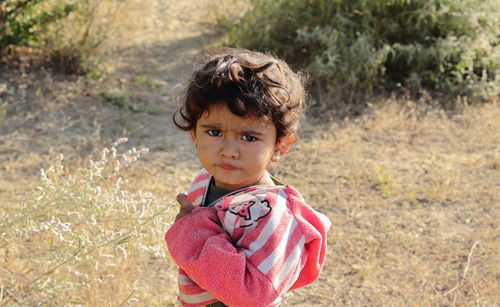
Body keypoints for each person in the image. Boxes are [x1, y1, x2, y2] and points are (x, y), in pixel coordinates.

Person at [165, 48, 331, 307]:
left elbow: (252, 295)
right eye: (214, 132)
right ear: (193, 133)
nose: (228, 151)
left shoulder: (269, 213)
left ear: (280, 146)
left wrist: (191, 231)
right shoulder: (204, 180)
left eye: (249, 137)